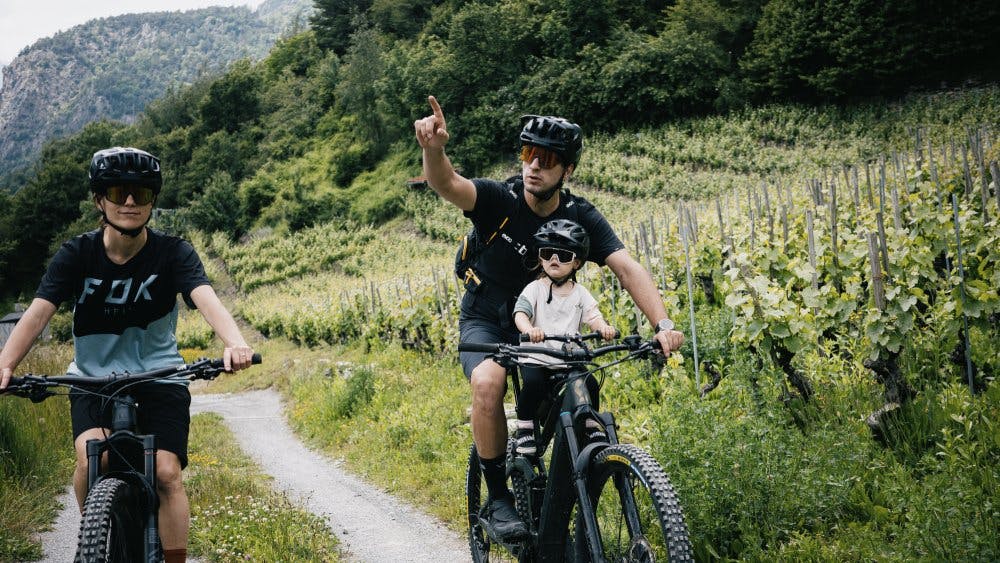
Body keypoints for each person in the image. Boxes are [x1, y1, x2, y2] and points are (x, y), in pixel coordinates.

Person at [414, 96, 684, 541]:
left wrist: (663, 325)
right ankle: (499, 496)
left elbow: (626, 266)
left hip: (549, 330)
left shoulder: (580, 217)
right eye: (527, 154)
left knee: (577, 392)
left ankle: (569, 490)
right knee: (487, 384)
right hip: (487, 320)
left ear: (567, 171)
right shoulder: (500, 201)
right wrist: (433, 149)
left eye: (547, 159)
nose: (533, 166)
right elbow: (448, 184)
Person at [0, 147, 256, 563]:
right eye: (119, 192)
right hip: (91, 381)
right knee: (89, 464)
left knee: (166, 473)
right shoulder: (76, 255)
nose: (130, 203)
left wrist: (234, 342)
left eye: (141, 193)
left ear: (153, 199)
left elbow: (205, 297)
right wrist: (6, 365)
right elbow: (37, 314)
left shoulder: (174, 253)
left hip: (160, 379)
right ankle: (97, 548)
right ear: (100, 200)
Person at [511, 219, 616, 457]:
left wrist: (603, 327)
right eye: (547, 254)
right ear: (540, 259)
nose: (554, 259)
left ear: (576, 263)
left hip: (569, 359)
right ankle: (525, 427)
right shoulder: (534, 289)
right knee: (534, 384)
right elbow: (520, 313)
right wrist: (529, 329)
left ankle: (590, 426)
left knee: (588, 382)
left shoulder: (580, 293)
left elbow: (593, 316)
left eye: (563, 256)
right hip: (537, 356)